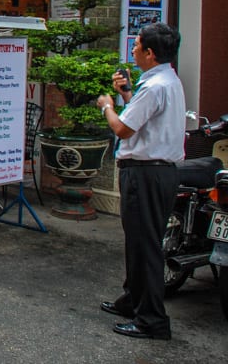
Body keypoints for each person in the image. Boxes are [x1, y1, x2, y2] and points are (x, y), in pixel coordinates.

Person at [96, 23, 186, 341]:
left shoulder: (156, 86)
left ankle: (152, 320)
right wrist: (126, 95)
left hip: (146, 173)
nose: (132, 50)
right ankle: (133, 301)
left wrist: (108, 105)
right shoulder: (165, 81)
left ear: (149, 52)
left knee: (145, 245)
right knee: (138, 241)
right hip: (156, 171)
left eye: (136, 45)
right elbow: (141, 117)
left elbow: (122, 129)